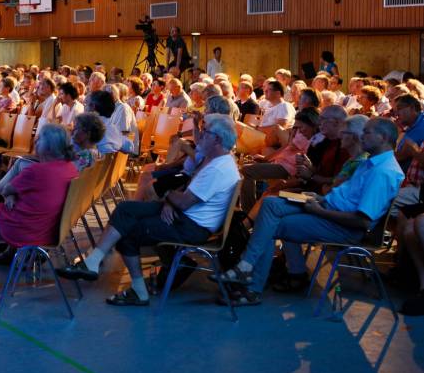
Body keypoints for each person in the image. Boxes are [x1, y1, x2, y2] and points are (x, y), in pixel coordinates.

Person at [56, 114, 240, 306]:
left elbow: (185, 201)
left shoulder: (218, 168)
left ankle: (138, 291)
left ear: (217, 139)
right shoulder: (216, 161)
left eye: (205, 132)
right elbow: (187, 191)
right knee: (126, 209)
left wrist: (167, 194)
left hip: (191, 226)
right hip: (184, 215)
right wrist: (169, 201)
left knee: (128, 232)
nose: (200, 135)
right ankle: (93, 261)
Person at [218, 117, 404, 304]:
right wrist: (320, 200)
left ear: (383, 137)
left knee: (270, 225)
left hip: (342, 226)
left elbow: (362, 221)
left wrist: (319, 210)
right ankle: (248, 267)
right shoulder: (371, 164)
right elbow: (347, 198)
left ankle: (251, 285)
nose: (361, 136)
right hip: (327, 208)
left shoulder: (383, 172)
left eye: (367, 132)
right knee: (270, 204)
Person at [0, 123, 79, 300]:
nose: (36, 140)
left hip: (22, 231)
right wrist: (11, 195)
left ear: (48, 146)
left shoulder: (37, 171)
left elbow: (3, 190)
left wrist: (9, 195)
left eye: (39, 138)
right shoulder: (70, 169)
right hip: (50, 231)